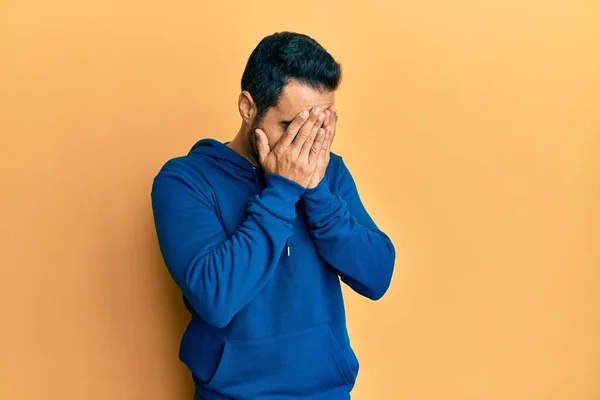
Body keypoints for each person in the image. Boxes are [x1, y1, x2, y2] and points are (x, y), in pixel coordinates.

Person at [151, 31, 396, 400]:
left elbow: (377, 275)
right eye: (291, 126)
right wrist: (282, 192)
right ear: (249, 108)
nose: (306, 143)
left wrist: (316, 193)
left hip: (327, 392)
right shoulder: (185, 181)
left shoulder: (327, 172)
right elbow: (216, 298)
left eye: (318, 125)